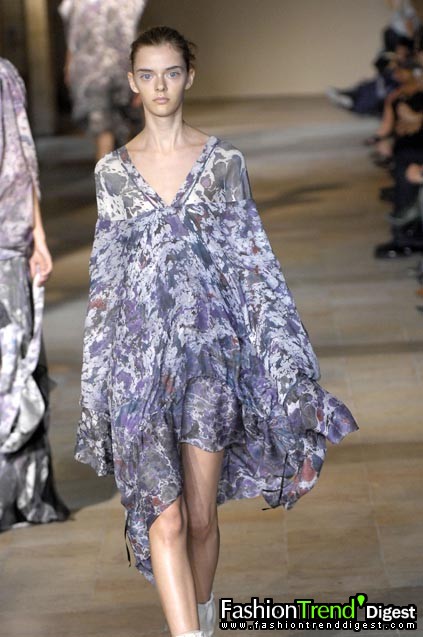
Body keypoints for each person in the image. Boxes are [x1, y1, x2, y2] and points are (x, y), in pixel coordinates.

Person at [76, 27, 358, 637]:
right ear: (131, 82)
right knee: (167, 518)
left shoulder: (224, 163)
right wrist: (96, 389)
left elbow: (255, 270)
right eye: (147, 74)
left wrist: (287, 365)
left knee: (202, 519)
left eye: (171, 72)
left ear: (190, 77)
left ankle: (202, 622)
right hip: (139, 370)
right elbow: (105, 287)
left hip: (210, 365)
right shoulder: (112, 174)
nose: (159, 86)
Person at [0, 58, 69, 531]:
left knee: (13, 369)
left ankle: (17, 495)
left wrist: (38, 236)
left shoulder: (4, 77)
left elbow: (22, 162)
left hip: (7, 246)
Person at [58, 0, 147, 160]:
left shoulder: (75, 3)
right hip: (117, 68)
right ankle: (118, 172)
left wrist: (69, 65)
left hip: (91, 73)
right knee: (117, 128)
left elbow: (73, 38)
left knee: (106, 130)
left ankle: (111, 172)